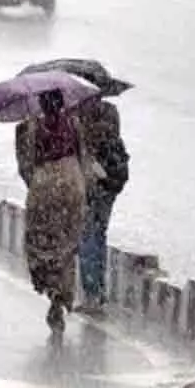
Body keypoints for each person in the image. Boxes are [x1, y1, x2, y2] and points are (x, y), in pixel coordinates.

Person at [15, 90, 87, 333]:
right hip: (72, 184)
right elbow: (82, 156)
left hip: (45, 186)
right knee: (67, 245)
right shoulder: (74, 123)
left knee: (40, 242)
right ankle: (62, 294)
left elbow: (26, 165)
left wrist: (37, 185)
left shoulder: (33, 128)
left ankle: (52, 288)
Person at [76, 97, 130, 315]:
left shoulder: (82, 115)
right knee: (98, 234)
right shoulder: (110, 111)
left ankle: (92, 295)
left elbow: (85, 148)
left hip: (94, 183)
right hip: (111, 183)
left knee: (87, 236)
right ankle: (98, 292)